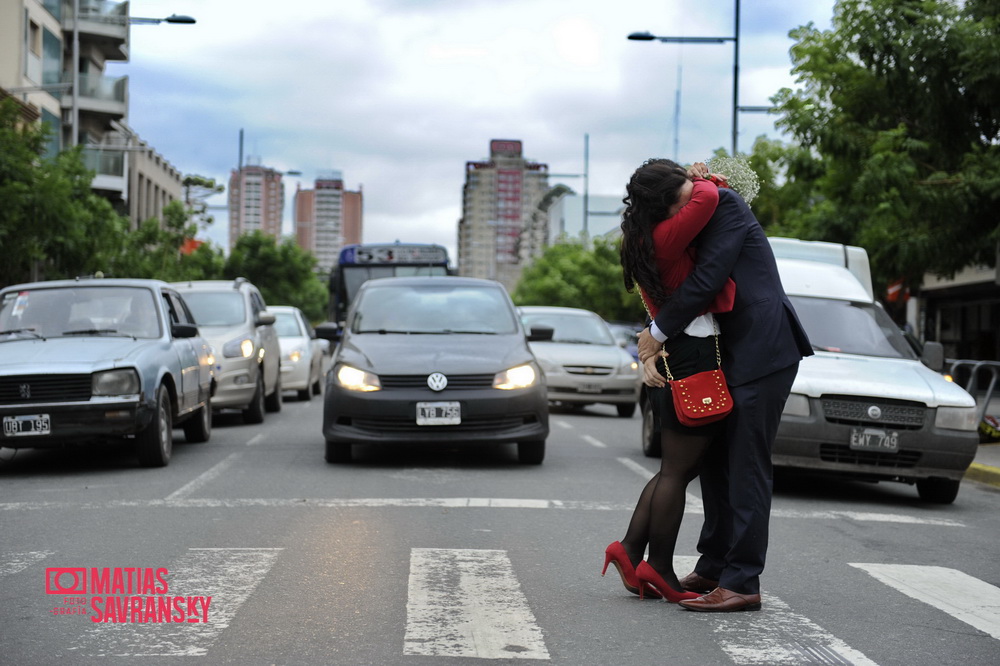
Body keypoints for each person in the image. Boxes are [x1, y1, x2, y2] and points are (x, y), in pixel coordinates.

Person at [636, 159, 813, 613]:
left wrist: (655, 334)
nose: (687, 205)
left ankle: (743, 581)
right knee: (715, 464)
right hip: (727, 353)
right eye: (676, 204)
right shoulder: (689, 218)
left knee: (746, 467)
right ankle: (714, 566)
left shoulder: (727, 205)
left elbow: (708, 278)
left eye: (688, 194)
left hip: (763, 349)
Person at [603, 159, 736, 603]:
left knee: (676, 469)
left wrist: (687, 180)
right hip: (694, 351)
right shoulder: (666, 234)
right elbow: (711, 196)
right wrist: (698, 179)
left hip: (677, 350)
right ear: (664, 204)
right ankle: (658, 566)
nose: (689, 200)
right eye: (680, 196)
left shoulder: (643, 236)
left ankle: (628, 549)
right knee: (678, 472)